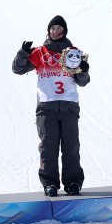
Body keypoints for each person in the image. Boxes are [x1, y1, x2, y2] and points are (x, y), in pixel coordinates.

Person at [12, 15, 90, 196]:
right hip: (46, 107)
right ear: (48, 31)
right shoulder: (39, 52)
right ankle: (50, 183)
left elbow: (82, 81)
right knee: (48, 146)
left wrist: (84, 70)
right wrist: (23, 53)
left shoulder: (72, 53)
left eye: (59, 29)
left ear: (64, 32)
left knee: (71, 146)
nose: (55, 31)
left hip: (69, 105)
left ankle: (73, 183)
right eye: (52, 28)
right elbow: (18, 69)